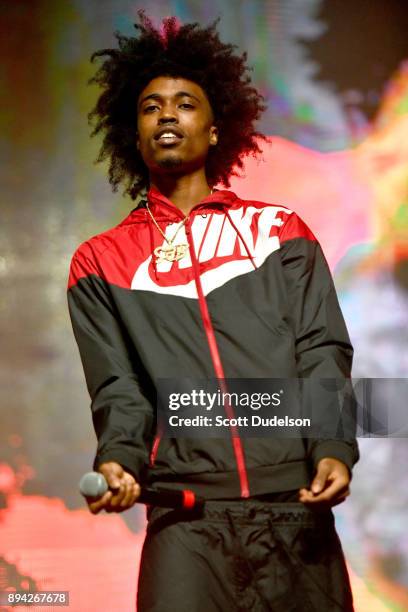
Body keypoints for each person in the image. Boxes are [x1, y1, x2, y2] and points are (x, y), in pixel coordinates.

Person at [67, 13, 359, 611]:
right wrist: (119, 461)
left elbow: (321, 348)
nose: (167, 114)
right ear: (133, 132)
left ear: (217, 128)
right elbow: (119, 389)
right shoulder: (100, 261)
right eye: (150, 107)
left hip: (294, 511)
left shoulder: (280, 231)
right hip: (186, 523)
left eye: (185, 103)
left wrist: (332, 444)